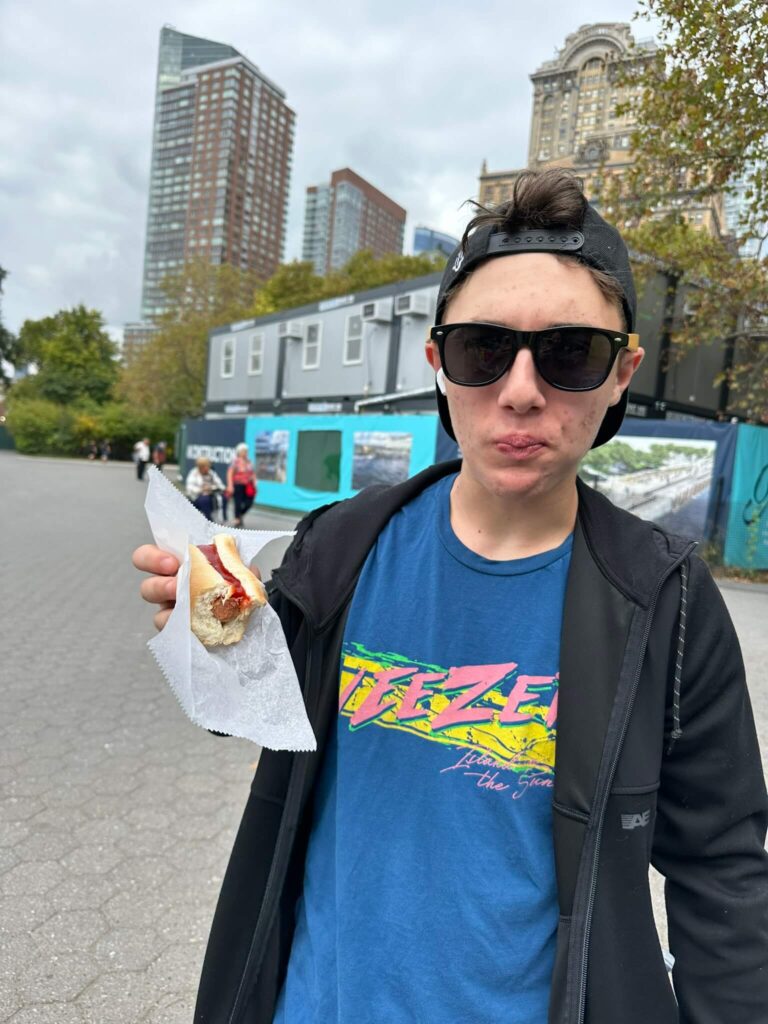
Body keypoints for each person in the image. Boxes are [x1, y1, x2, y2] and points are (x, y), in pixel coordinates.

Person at [133, 169, 768, 1024]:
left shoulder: (667, 598)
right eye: (483, 348)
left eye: (571, 353)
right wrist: (202, 632)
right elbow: (249, 710)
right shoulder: (343, 542)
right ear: (438, 363)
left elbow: (723, 868)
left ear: (623, 373)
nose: (520, 389)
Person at [185, 456, 225, 522]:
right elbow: (189, 489)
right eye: (207, 466)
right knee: (204, 499)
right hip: (196, 498)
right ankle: (209, 520)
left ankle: (222, 520)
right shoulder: (193, 473)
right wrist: (202, 490)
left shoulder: (212, 473)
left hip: (212, 495)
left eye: (209, 466)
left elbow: (221, 486)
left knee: (224, 498)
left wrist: (210, 488)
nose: (209, 467)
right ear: (201, 467)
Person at [226, 442, 257, 527]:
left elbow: (252, 473)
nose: (245, 452)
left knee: (249, 503)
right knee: (238, 503)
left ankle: (240, 516)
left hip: (248, 486)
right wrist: (230, 485)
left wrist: (255, 483)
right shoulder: (235, 462)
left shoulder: (249, 461)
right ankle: (237, 519)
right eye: (243, 451)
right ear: (239, 452)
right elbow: (230, 473)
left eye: (246, 451)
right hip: (238, 485)